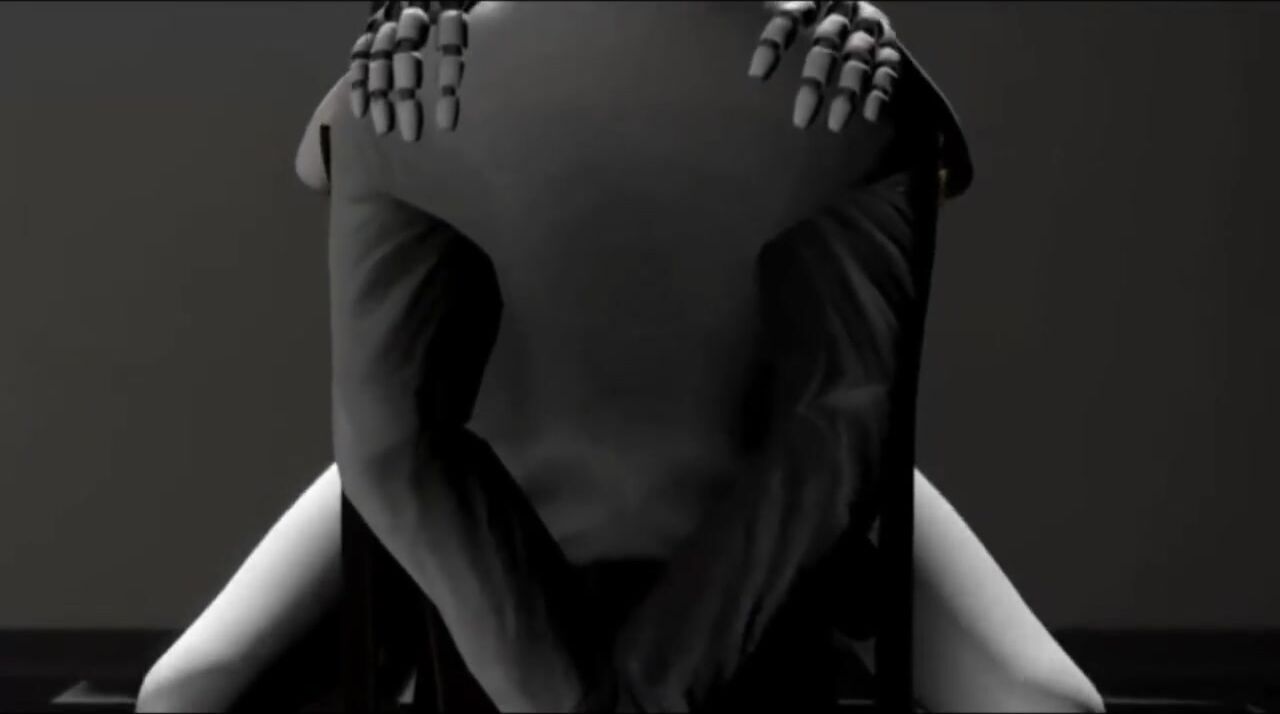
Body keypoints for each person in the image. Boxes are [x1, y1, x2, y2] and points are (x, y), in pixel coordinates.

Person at [138, 3, 1104, 712]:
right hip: (656, 452)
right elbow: (925, 193)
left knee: (192, 687)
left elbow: (329, 168)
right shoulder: (825, 67)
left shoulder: (427, 69)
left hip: (635, 451)